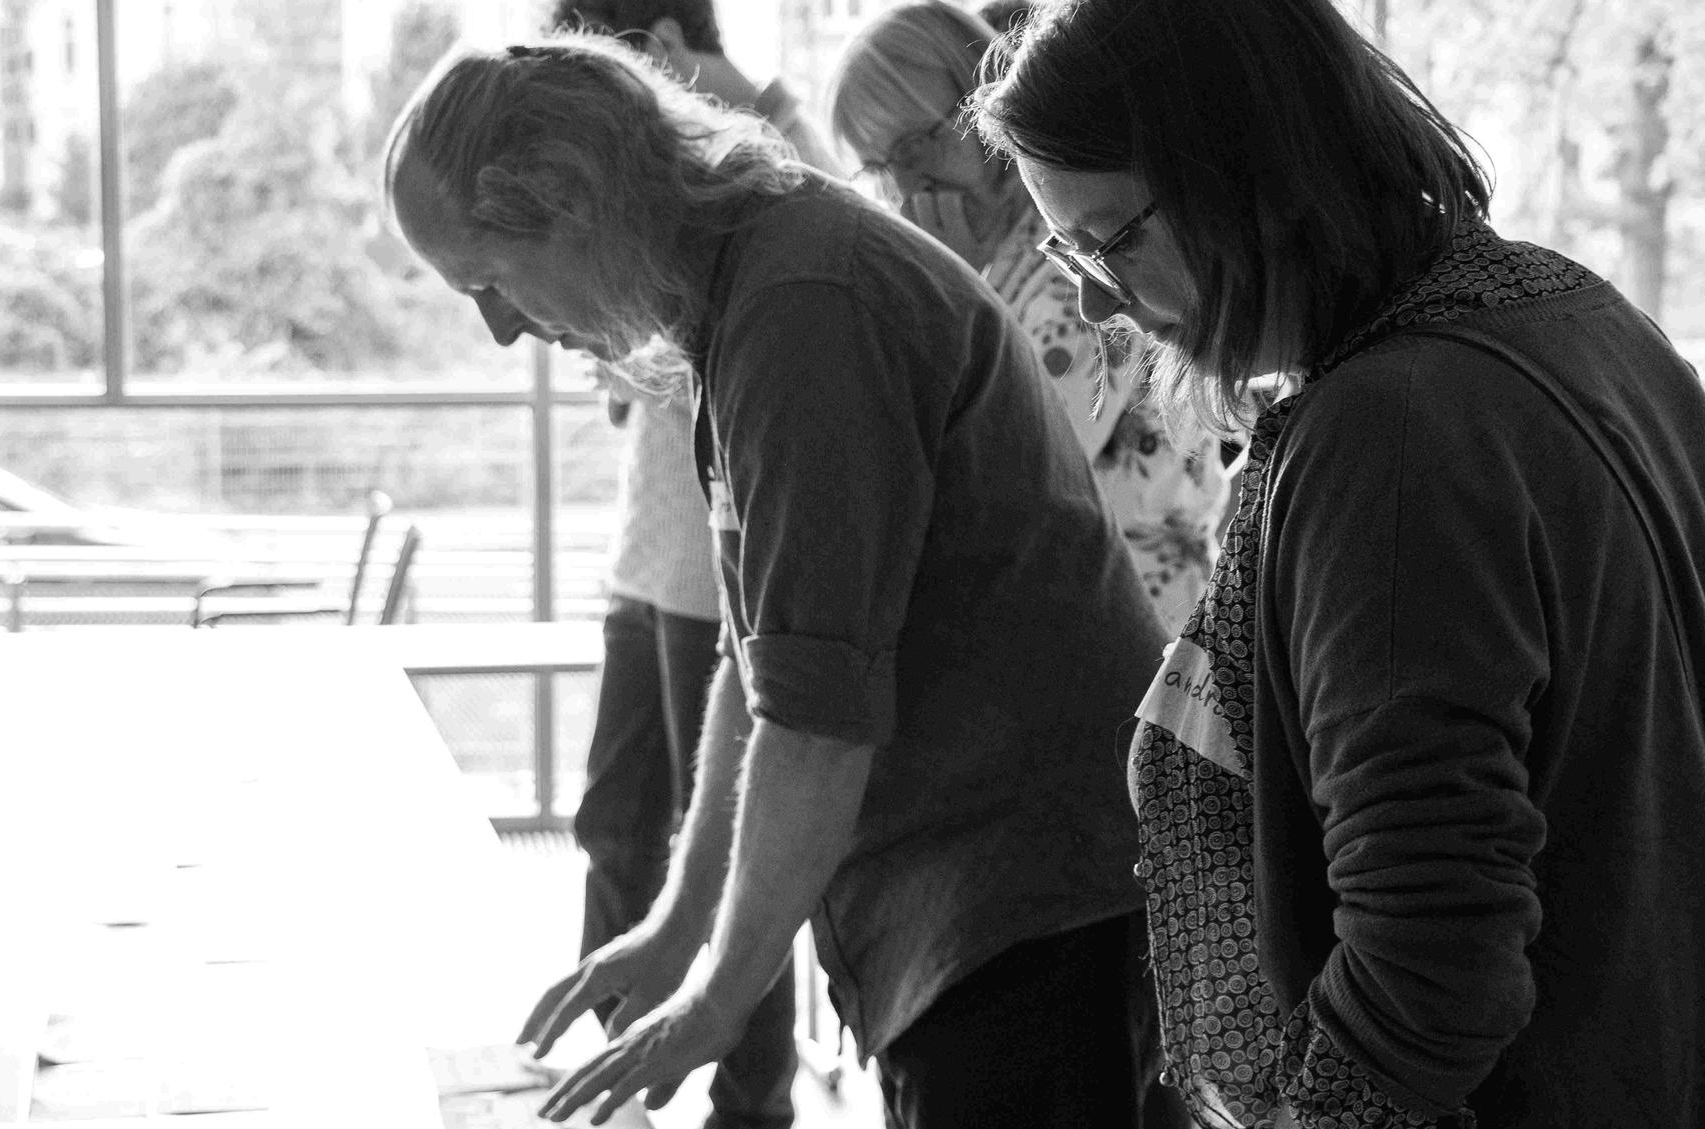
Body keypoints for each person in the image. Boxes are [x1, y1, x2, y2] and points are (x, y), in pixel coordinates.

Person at [384, 34, 1171, 1129]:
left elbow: (814, 719)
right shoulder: (752, 278)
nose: (501, 326)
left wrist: (719, 991)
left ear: (566, 198)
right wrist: (680, 923)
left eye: (487, 279)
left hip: (1024, 894)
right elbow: (759, 657)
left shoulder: (804, 303)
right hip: (994, 891)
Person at [973, 2, 1705, 1127]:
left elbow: (1430, 963)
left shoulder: (1390, 436)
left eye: (1114, 239)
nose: (1095, 297)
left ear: (1258, 170)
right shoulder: (1581, 315)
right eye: (1068, 251)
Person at [540, 4, 845, 1127]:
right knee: (617, 823)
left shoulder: (769, 168)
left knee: (728, 838)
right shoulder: (632, 185)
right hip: (656, 550)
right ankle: (601, 1071)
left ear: (657, 47)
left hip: (730, 557)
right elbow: (629, 379)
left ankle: (746, 1095)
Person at [828, 0, 1227, 636]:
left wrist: (943, 296)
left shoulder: (1080, 257)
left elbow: (994, 469)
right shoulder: (998, 259)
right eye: (879, 167)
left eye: (915, 143)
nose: (905, 185)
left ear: (981, 105)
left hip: (1140, 638)